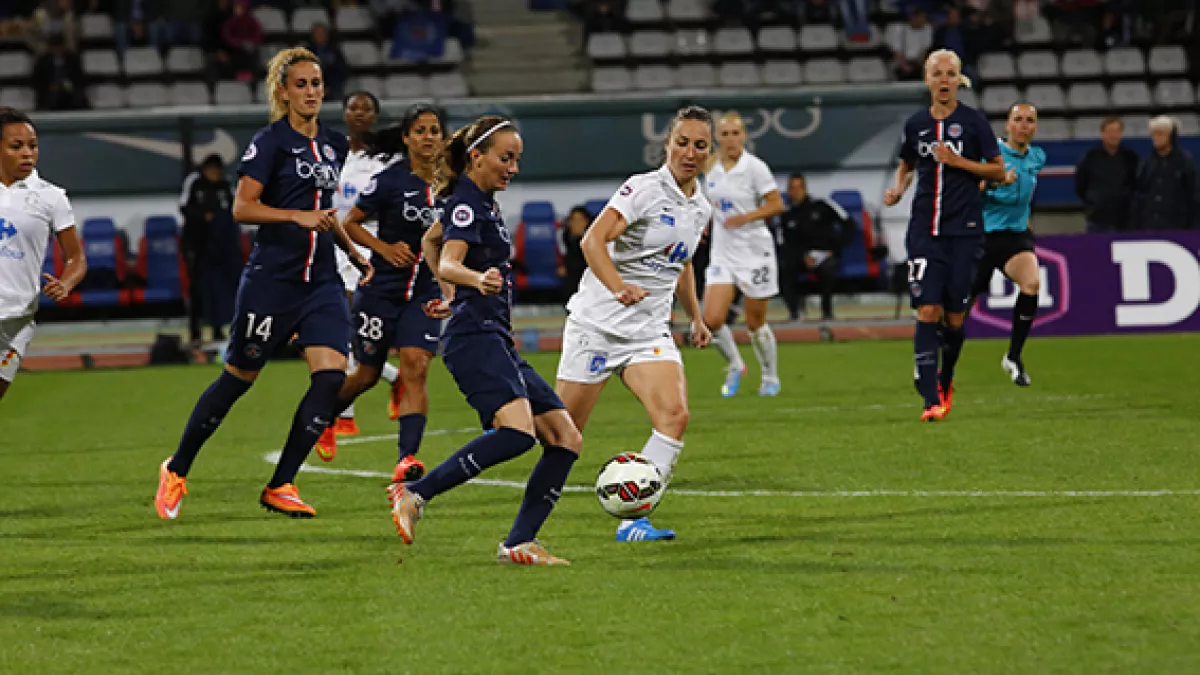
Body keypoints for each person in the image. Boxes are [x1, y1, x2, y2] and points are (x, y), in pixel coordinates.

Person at [154, 47, 370, 520]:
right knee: (238, 379)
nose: (311, 92)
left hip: (322, 282)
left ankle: (282, 483)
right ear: (283, 92)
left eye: (317, 84)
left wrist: (353, 252)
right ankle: (177, 467)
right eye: (301, 84)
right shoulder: (269, 143)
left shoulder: (334, 144)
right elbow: (242, 208)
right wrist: (295, 215)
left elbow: (324, 212)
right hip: (273, 281)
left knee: (331, 378)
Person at [390, 116, 584, 566]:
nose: (513, 168)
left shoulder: (480, 203)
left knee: (565, 437)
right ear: (476, 157)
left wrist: (450, 296)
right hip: (475, 339)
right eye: (505, 158)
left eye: (516, 159)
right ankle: (415, 493)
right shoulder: (467, 205)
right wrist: (472, 281)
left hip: (494, 337)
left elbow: (430, 241)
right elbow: (449, 259)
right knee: (517, 434)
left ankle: (519, 543)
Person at [557, 105, 714, 543]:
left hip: (648, 332)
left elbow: (681, 264)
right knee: (562, 438)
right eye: (682, 142)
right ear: (668, 144)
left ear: (709, 152)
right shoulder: (643, 189)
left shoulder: (701, 206)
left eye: (700, 145)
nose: (690, 152)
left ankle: (634, 519)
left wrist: (696, 317)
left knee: (674, 416)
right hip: (597, 326)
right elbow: (592, 240)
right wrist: (619, 288)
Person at [317, 103, 449, 484]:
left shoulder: (455, 184)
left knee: (415, 367)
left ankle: (406, 459)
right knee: (367, 374)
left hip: (424, 293)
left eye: (435, 131)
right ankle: (324, 418)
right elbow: (351, 222)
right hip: (382, 291)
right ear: (406, 138)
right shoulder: (390, 180)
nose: (428, 137)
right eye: (420, 131)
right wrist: (384, 249)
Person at [883, 49, 1006, 422]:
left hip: (965, 231)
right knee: (927, 309)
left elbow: (998, 171)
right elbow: (907, 162)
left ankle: (945, 376)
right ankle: (929, 396)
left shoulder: (974, 122)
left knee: (954, 317)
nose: (943, 80)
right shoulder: (915, 125)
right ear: (927, 80)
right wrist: (898, 188)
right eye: (937, 73)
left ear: (958, 80)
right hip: (924, 230)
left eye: (950, 74)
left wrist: (958, 162)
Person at [325, 90, 403, 437]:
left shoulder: (386, 159)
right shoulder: (332, 153)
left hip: (370, 248)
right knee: (341, 330)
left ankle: (346, 412)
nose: (359, 113)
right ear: (344, 113)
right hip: (334, 248)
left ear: (375, 115)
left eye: (366, 108)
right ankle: (393, 379)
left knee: (354, 329)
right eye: (353, 107)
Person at [0, 108, 86, 402]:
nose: (27, 154)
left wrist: (66, 283)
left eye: (33, 146)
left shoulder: (51, 197)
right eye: (16, 146)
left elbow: (76, 257)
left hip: (16, 322)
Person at [702, 111, 786, 398]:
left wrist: (746, 217)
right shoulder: (709, 165)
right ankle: (736, 364)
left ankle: (770, 376)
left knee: (755, 322)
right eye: (724, 134)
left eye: (735, 133)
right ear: (717, 138)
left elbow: (776, 204)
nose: (730, 139)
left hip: (754, 251)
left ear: (744, 136)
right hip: (723, 252)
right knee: (712, 319)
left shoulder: (755, 168)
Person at [972, 102, 1046, 387]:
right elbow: (968, 190)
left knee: (1032, 284)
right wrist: (994, 183)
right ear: (1008, 124)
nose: (1024, 126)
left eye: (1030, 120)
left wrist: (1025, 219)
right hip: (982, 236)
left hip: (1015, 237)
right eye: (1018, 119)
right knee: (959, 307)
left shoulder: (1037, 157)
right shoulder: (991, 155)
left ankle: (1013, 357)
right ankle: (938, 356)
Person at [776, 173, 853, 321]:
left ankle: (827, 313)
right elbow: (783, 243)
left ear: (805, 189)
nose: (795, 192)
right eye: (792, 188)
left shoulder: (822, 205)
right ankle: (795, 312)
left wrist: (835, 250)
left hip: (825, 254)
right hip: (800, 257)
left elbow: (849, 224)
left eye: (798, 188)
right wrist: (801, 256)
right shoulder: (785, 214)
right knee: (783, 268)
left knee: (828, 268)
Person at [180, 153, 240, 344]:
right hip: (198, 246)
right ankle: (195, 331)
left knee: (220, 289)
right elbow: (184, 207)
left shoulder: (226, 184)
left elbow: (236, 209)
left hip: (221, 247)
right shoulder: (194, 182)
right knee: (197, 290)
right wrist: (202, 217)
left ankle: (218, 329)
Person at [1074, 116, 1139, 233]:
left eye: (1116, 131)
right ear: (1102, 133)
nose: (1113, 135)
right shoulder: (1090, 157)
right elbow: (1081, 185)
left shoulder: (1131, 158)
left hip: (1125, 219)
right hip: (1097, 219)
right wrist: (1093, 201)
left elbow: (1137, 185)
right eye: (1110, 132)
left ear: (1121, 134)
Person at [1134, 116, 1199, 231]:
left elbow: (1193, 194)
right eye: (1153, 134)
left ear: (1171, 136)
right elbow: (1140, 192)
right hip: (1150, 224)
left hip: (1177, 225)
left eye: (1160, 133)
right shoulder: (1147, 163)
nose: (1156, 138)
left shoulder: (1185, 162)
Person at [556, 205, 590, 296]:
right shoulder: (565, 236)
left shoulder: (593, 239)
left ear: (586, 222)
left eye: (579, 221)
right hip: (571, 272)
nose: (576, 224)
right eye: (573, 220)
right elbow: (564, 255)